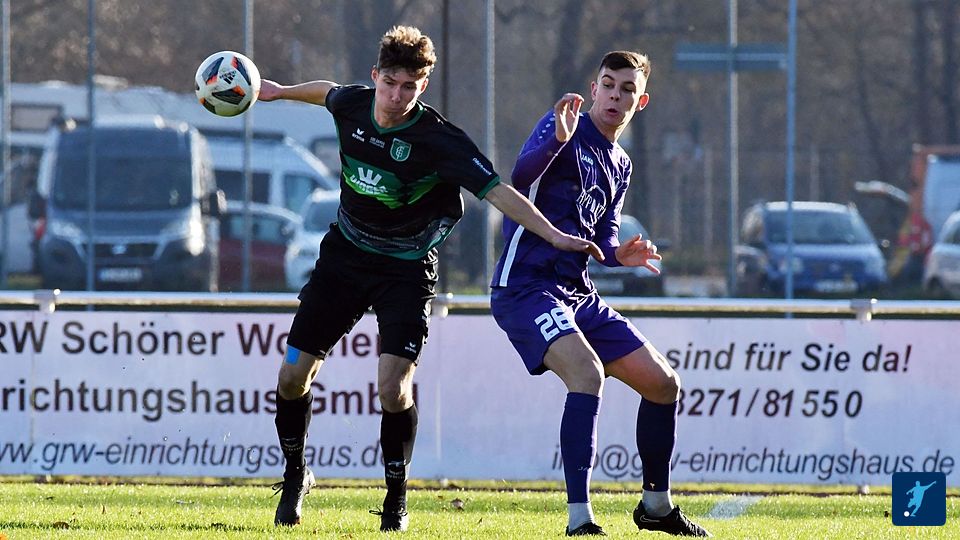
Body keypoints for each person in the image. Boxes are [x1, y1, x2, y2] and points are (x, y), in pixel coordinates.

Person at [257, 25, 602, 532]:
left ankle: (395, 497)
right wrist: (278, 91)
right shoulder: (353, 105)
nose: (397, 97)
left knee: (392, 389)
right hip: (343, 260)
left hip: (407, 269)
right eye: (389, 84)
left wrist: (554, 235)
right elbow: (325, 91)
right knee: (292, 375)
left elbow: (498, 191)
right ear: (375, 77)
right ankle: (295, 475)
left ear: (423, 86)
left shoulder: (439, 140)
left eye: (409, 87)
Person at [490, 51, 711, 537]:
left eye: (627, 89)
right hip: (526, 286)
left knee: (663, 384)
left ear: (641, 101)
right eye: (608, 85)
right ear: (594, 89)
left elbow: (604, 231)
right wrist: (556, 141)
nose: (615, 95)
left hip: (577, 293)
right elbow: (521, 178)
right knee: (587, 374)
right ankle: (580, 519)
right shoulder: (564, 126)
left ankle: (656, 507)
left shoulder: (621, 162)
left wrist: (618, 254)